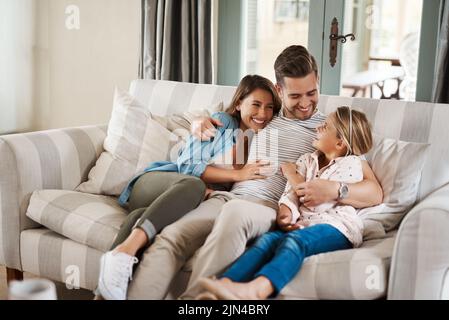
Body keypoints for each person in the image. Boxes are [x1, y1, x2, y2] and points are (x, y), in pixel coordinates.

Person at [125, 45, 382, 300]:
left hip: (271, 206)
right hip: (229, 198)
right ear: (279, 91)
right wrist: (198, 122)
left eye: (312, 93)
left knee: (235, 213)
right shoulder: (265, 115)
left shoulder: (330, 130)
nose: (305, 104)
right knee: (171, 237)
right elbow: (228, 117)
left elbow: (373, 190)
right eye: (295, 96)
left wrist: (337, 189)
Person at [96, 74, 281, 300]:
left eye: (269, 107)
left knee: (139, 217)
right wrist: (237, 174)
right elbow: (188, 166)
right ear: (240, 101)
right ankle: (123, 255)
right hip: (157, 183)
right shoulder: (220, 123)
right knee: (194, 184)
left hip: (175, 203)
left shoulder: (260, 139)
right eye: (256, 104)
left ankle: (110, 281)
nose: (263, 113)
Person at [196, 106, 373, 300]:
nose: (318, 127)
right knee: (267, 241)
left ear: (340, 143)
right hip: (305, 223)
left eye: (325, 127)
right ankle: (225, 285)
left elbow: (316, 202)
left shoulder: (351, 164)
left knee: (294, 241)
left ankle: (257, 290)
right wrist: (286, 212)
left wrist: (292, 174)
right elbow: (290, 194)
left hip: (337, 227)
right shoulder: (307, 159)